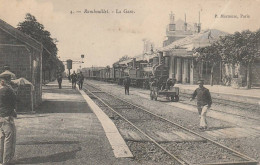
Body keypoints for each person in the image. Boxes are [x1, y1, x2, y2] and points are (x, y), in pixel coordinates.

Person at [0, 74, 17, 165]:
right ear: (6, 81)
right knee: (9, 138)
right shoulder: (8, 90)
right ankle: (6, 161)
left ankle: (0, 160)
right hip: (7, 117)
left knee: (1, 138)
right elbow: (14, 101)